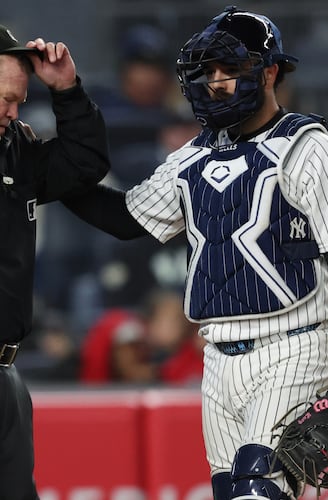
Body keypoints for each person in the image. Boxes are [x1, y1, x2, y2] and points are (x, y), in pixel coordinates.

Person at [63, 6, 328, 499]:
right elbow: (125, 219)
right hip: (217, 356)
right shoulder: (192, 156)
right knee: (233, 492)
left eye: (230, 69)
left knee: (258, 488)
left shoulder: (310, 148)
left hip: (292, 345)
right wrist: (54, 180)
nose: (216, 82)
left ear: (269, 70)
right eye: (208, 72)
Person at [0, 24, 109, 500]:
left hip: (5, 373)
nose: (12, 111)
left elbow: (84, 164)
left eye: (19, 100)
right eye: (4, 98)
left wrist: (66, 90)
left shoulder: (15, 149)